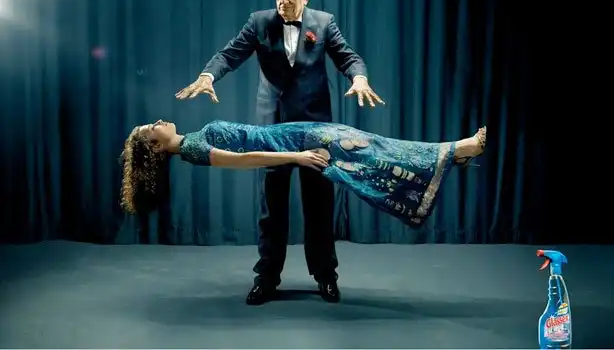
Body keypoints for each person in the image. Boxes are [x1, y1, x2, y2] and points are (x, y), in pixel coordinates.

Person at [174, 0, 385, 305]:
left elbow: (349, 58)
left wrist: (359, 78)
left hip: (315, 129)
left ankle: (326, 276)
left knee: (319, 203)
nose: (283, 1)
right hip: (272, 128)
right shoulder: (259, 22)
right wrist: (208, 76)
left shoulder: (324, 23)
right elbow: (229, 54)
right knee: (271, 207)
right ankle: (267, 278)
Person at [120, 119, 487, 298]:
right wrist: (296, 156)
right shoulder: (193, 149)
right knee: (370, 152)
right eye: (152, 129)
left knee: (370, 154)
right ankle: (455, 151)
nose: (159, 122)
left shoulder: (193, 140)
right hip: (297, 141)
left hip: (296, 133)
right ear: (155, 148)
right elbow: (247, 160)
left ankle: (450, 155)